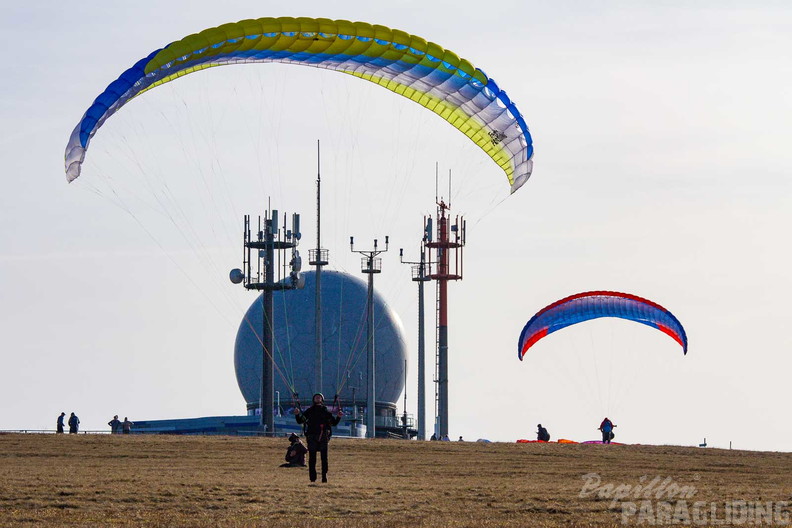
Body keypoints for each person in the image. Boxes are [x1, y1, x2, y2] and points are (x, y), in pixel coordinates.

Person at [293, 393, 342, 483]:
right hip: (312, 436)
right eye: (316, 397)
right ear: (313, 399)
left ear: (322, 400)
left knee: (324, 458)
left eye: (319, 397)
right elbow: (300, 421)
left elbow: (334, 423)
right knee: (312, 458)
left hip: (323, 436)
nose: (318, 398)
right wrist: (297, 414)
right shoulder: (310, 411)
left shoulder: (325, 411)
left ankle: (324, 476)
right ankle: (312, 478)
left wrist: (338, 417)